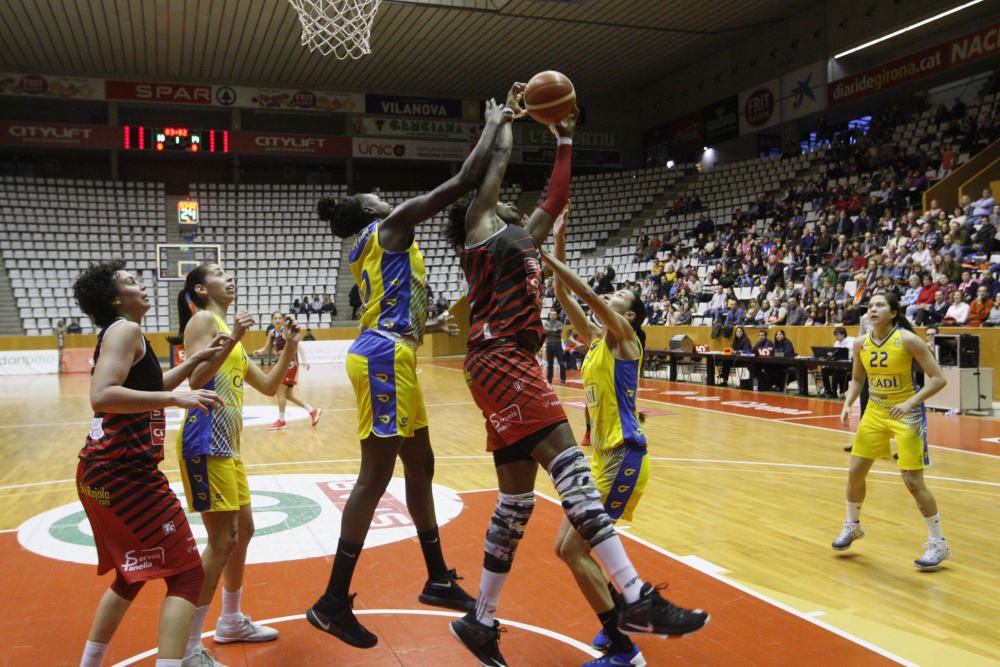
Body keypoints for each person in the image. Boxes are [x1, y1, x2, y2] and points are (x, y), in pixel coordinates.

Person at [444, 103, 707, 667]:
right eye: (503, 203)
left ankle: (481, 620)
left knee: (514, 501)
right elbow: (490, 175)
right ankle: (634, 596)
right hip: (502, 361)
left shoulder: (521, 237)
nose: (516, 206)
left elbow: (556, 200)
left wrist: (564, 140)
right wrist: (506, 122)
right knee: (572, 468)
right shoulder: (481, 231)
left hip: (504, 365)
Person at [304, 95, 512, 649]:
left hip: (395, 351)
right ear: (373, 209)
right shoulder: (392, 225)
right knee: (375, 478)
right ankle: (331, 602)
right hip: (383, 357)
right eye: (378, 195)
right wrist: (492, 126)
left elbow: (398, 302)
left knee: (421, 466)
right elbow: (464, 180)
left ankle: (438, 578)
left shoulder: (382, 243)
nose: (386, 195)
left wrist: (432, 319)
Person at [72, 260, 225, 667]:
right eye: (130, 281)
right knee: (188, 575)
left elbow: (149, 387)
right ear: (113, 298)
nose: (141, 285)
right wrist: (178, 399)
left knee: (131, 575)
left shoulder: (124, 332)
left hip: (102, 472)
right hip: (124, 473)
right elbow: (103, 396)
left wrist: (192, 364)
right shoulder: (126, 329)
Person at [176, 262, 303, 666]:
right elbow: (195, 380)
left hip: (228, 446)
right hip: (203, 439)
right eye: (217, 272)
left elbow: (267, 387)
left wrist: (291, 348)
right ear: (200, 288)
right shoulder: (203, 323)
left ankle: (230, 621)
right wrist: (234, 338)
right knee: (221, 541)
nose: (227, 275)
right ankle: (188, 647)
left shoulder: (228, 331)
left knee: (242, 531)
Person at [544, 206, 651, 665]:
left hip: (625, 457)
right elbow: (562, 293)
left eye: (622, 295)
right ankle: (624, 619)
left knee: (573, 547)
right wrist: (559, 239)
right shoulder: (593, 341)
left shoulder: (625, 337)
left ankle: (626, 647)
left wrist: (543, 253)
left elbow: (584, 291)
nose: (615, 296)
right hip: (601, 459)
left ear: (629, 314)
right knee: (564, 547)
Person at [833, 292, 950, 570]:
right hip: (875, 411)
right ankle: (853, 525)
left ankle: (939, 543)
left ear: (893, 312)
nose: (873, 309)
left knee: (912, 481)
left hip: (907, 414)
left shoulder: (908, 340)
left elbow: (938, 379)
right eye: (870, 305)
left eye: (880, 305)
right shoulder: (861, 343)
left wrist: (910, 402)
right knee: (855, 471)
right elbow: (857, 379)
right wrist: (848, 403)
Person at [253, 311, 322, 430]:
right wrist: (260, 351)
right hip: (280, 363)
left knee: (279, 391)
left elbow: (298, 346)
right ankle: (312, 411)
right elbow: (267, 349)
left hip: (289, 363)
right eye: (275, 318)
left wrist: (304, 360)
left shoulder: (286, 332)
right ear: (272, 321)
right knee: (288, 395)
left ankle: (281, 420)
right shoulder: (272, 333)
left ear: (283, 320)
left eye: (280, 318)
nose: (278, 320)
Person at [821, 327, 854, 397]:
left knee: (836, 370)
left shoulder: (852, 341)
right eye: (835, 335)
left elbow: (852, 355)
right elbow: (833, 354)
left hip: (846, 366)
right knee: (824, 370)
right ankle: (828, 391)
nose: (836, 337)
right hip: (837, 365)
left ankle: (834, 391)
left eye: (837, 335)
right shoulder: (836, 343)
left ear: (843, 334)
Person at [544, 309, 567, 385]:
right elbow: (546, 332)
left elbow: (558, 332)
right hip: (549, 345)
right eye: (551, 314)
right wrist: (553, 331)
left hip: (558, 345)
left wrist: (550, 331)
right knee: (550, 364)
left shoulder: (560, 323)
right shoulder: (546, 323)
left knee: (561, 363)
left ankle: (563, 379)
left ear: (557, 316)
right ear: (549, 316)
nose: (552, 316)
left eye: (554, 314)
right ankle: (549, 380)